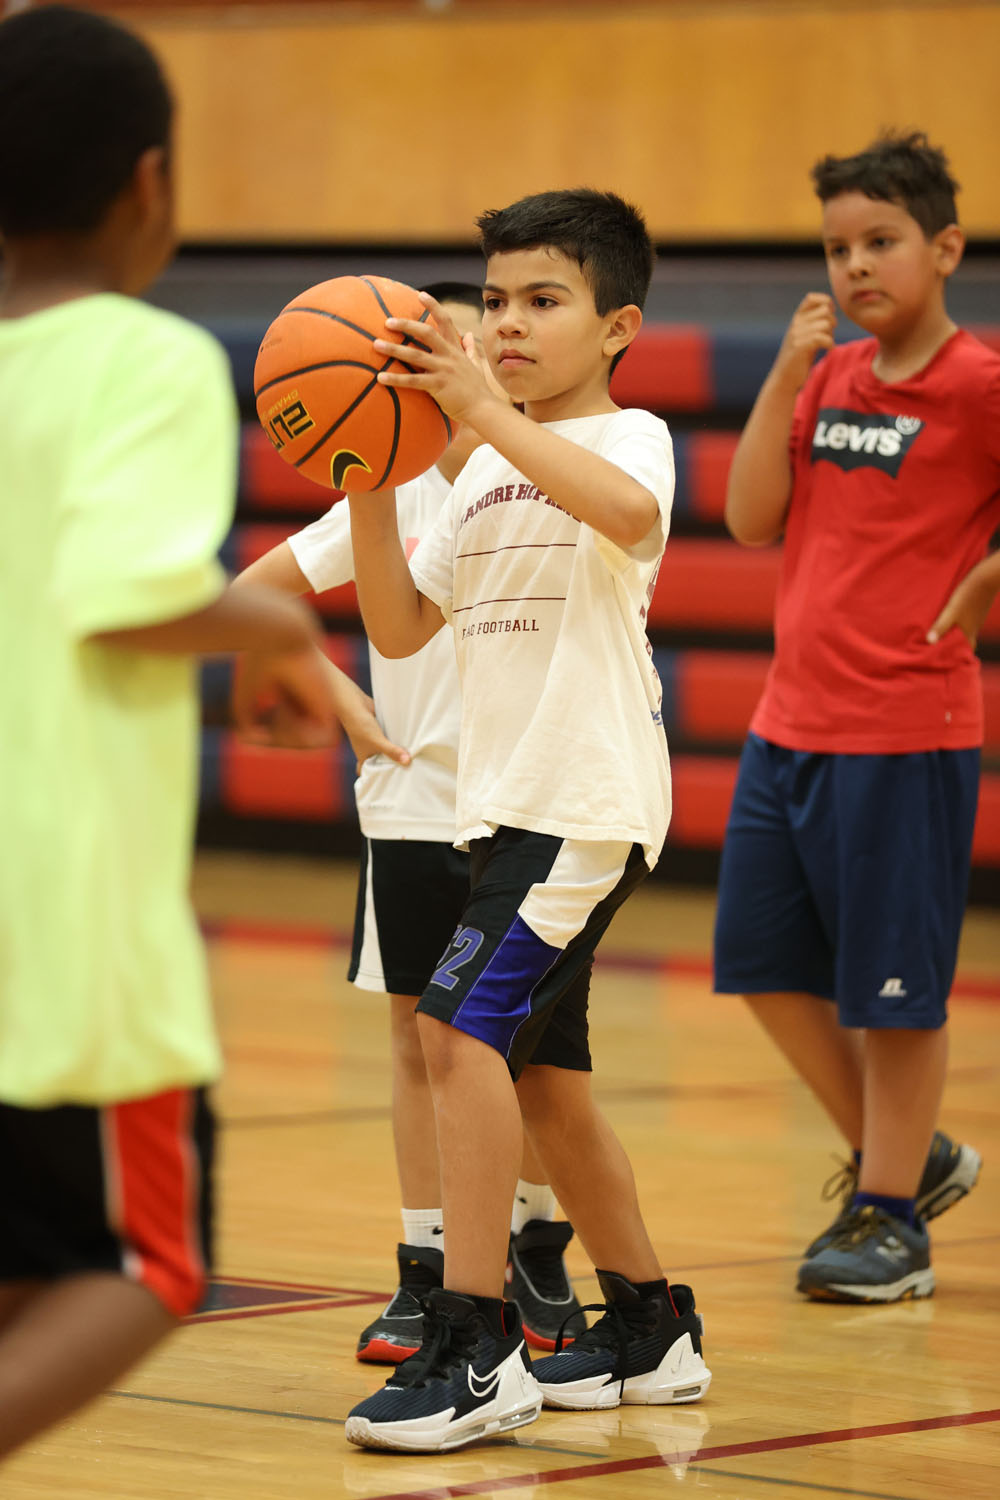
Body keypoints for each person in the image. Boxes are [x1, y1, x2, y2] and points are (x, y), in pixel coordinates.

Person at [0, 5, 336, 1460]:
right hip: (63, 952)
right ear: (151, 184)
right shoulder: (143, 360)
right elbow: (126, 594)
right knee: (145, 1268)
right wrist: (286, 632)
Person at [340, 188, 712, 1454]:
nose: (505, 325)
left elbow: (629, 522)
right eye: (492, 301)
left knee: (453, 1038)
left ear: (617, 326)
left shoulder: (628, 438)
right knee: (544, 1084)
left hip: (583, 799)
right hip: (508, 813)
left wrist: (480, 411)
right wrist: (379, 474)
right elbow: (398, 627)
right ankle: (653, 1326)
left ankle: (477, 1341)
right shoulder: (484, 470)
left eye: (540, 302)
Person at [233, 282, 586, 1359]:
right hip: (412, 804)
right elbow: (249, 591)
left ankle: (532, 1249)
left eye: (446, 335)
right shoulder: (376, 493)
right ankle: (425, 1264)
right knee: (413, 1040)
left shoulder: (531, 472)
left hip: (526, 803)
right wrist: (342, 701)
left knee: (528, 1047)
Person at [714, 130, 998, 1304]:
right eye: (837, 248)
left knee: (895, 991)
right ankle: (911, 1158)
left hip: (906, 732)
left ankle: (890, 1220)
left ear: (943, 247)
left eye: (879, 242)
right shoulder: (826, 378)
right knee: (763, 964)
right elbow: (745, 518)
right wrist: (784, 375)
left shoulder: (978, 385)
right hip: (790, 726)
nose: (855, 267)